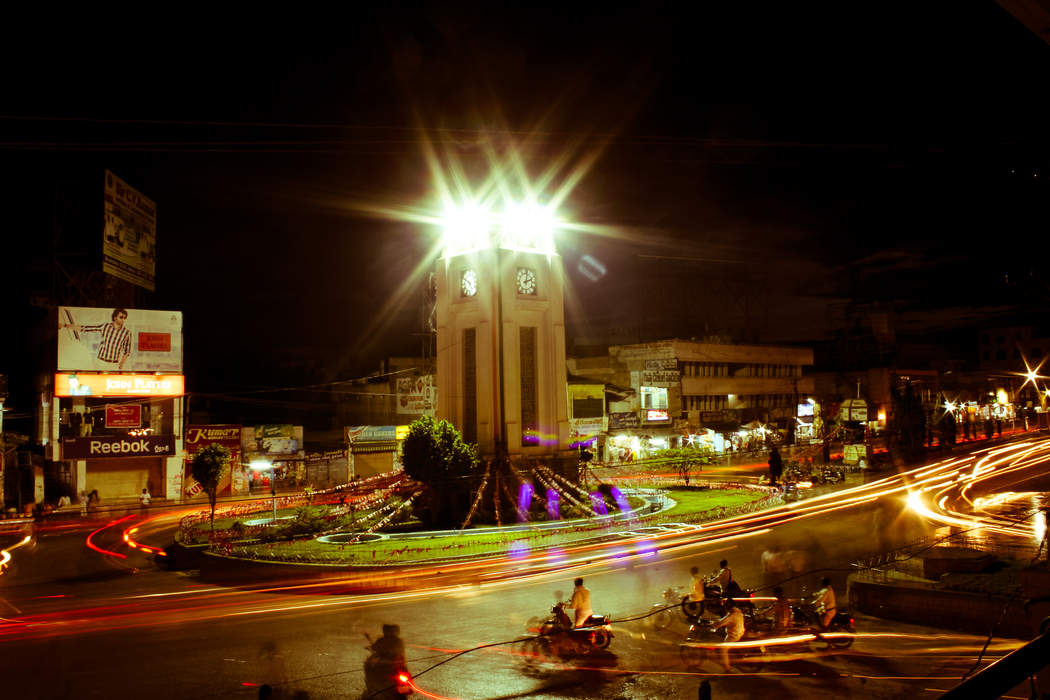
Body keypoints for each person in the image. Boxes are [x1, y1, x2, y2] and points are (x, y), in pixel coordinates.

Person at [60, 307, 132, 370]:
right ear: (115, 317)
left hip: (113, 365)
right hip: (100, 362)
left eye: (124, 318)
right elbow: (85, 328)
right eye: (121, 317)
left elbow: (127, 351)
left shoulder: (127, 333)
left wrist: (121, 364)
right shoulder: (105, 326)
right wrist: (65, 325)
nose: (123, 319)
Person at [711, 604, 745, 672]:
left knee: (723, 650)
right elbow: (725, 618)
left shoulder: (731, 616)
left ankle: (727, 668)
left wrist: (714, 624)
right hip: (740, 631)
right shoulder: (737, 611)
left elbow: (721, 623)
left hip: (734, 635)